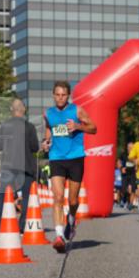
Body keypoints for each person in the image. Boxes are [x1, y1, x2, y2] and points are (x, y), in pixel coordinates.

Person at [42, 81, 96, 252]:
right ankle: (59, 236)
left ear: (68, 96)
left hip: (75, 158)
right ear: (53, 95)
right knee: (57, 197)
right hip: (56, 158)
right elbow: (49, 130)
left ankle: (71, 219)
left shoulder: (76, 110)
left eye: (63, 95)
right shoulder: (48, 113)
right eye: (57, 94)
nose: (60, 98)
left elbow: (94, 128)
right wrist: (46, 142)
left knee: (72, 200)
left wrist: (78, 126)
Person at [0, 98, 40, 235]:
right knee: (26, 198)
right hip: (25, 167)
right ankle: (22, 227)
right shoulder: (29, 127)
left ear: (11, 110)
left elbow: (0, 146)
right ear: (23, 110)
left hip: (8, 166)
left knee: (3, 195)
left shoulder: (4, 126)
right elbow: (34, 147)